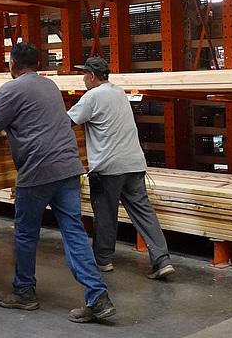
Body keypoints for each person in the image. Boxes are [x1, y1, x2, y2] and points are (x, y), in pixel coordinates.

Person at [0, 42, 116, 324]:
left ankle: (24, 292)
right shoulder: (50, 86)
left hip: (37, 171)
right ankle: (98, 297)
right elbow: (39, 122)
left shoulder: (10, 90)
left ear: (12, 64)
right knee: (74, 232)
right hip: (68, 168)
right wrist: (12, 132)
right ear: (38, 64)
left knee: (26, 234)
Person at [68, 56, 175, 280]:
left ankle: (103, 260)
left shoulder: (92, 96)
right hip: (134, 164)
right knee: (144, 212)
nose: (83, 79)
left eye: (84, 75)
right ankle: (162, 259)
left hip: (108, 167)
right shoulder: (119, 92)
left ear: (92, 76)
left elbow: (65, 122)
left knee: (105, 214)